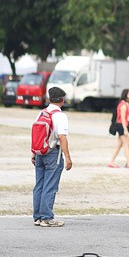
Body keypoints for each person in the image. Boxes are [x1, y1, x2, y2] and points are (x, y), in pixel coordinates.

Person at [32, 86, 72, 227]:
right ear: (62, 100)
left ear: (49, 99)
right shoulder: (60, 116)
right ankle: (47, 218)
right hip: (53, 153)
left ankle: (37, 217)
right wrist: (68, 157)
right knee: (50, 186)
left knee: (39, 185)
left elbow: (36, 134)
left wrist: (33, 153)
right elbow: (62, 137)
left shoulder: (41, 113)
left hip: (39, 152)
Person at [108, 88, 129, 169]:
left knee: (119, 145)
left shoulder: (123, 103)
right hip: (121, 125)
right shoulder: (124, 105)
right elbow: (123, 118)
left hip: (121, 125)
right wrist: (125, 129)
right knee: (126, 144)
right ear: (126, 95)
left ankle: (111, 161)